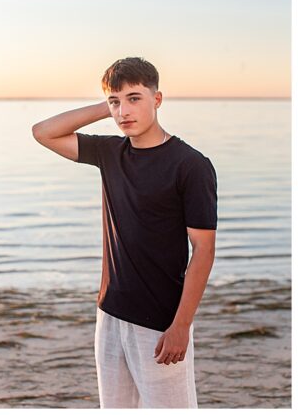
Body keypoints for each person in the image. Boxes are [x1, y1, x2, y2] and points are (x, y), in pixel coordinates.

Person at [31, 57, 217, 408]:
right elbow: (43, 131)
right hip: (110, 314)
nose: (123, 111)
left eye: (134, 98)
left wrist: (181, 326)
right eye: (116, 102)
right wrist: (108, 106)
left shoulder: (191, 165)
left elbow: (204, 250)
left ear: (157, 100)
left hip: (161, 321)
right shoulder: (109, 152)